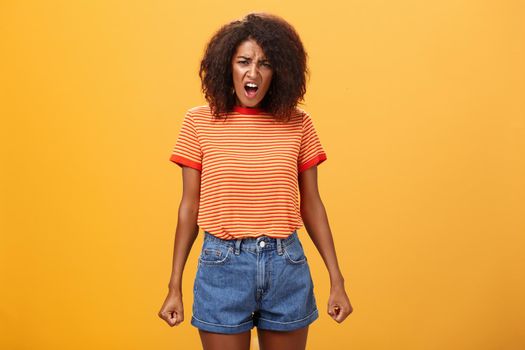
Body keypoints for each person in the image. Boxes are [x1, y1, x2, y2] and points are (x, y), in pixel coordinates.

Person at [158, 12, 353, 350]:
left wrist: (336, 278)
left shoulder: (298, 124)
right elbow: (189, 207)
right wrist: (174, 285)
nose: (253, 73)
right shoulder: (199, 123)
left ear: (278, 71)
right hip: (221, 266)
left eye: (264, 64)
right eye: (244, 62)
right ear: (226, 67)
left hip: (286, 264)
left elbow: (312, 204)